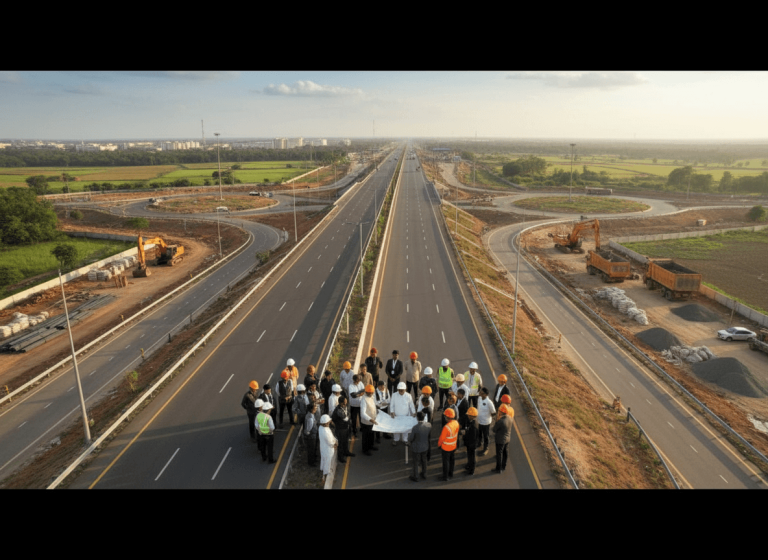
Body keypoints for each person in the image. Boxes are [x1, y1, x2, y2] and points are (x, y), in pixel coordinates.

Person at [390, 381, 415, 445]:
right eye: (400, 390)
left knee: (405, 429)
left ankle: (405, 439)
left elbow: (411, 405)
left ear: (405, 389)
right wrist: (392, 411)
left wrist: (414, 412)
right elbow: (392, 404)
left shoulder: (408, 396)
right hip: (397, 416)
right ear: (398, 389)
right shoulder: (394, 395)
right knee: (396, 428)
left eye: (402, 390)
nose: (401, 392)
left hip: (406, 415)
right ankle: (396, 439)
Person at [437, 408, 459, 481]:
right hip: (453, 446)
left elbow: (441, 439)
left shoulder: (446, 427)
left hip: (446, 448)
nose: (445, 418)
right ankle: (451, 473)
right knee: (452, 460)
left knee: (446, 462)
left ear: (448, 417)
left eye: (445, 416)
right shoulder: (456, 423)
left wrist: (439, 445)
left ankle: (445, 477)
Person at [409, 411, 431, 481]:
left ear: (417, 418)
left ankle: (416, 476)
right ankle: (424, 473)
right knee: (424, 460)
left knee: (416, 462)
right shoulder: (429, 425)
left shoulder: (415, 428)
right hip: (425, 446)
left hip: (416, 447)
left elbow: (411, 438)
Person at [331, 396, 354, 463]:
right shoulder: (338, 410)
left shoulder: (345, 407)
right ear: (340, 403)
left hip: (345, 427)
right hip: (340, 429)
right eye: (344, 403)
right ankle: (340, 457)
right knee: (341, 443)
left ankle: (346, 452)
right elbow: (345, 418)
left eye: (346, 403)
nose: (345, 404)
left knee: (345, 441)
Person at [493, 404, 514, 473]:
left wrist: (496, 421)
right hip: (507, 439)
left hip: (500, 440)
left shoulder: (501, 421)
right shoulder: (510, 418)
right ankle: (503, 466)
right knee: (505, 453)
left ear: (501, 411)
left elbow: (494, 429)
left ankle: (498, 469)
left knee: (499, 454)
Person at [360, 384, 379, 455]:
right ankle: (365, 450)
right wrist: (370, 419)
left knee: (371, 435)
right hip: (366, 422)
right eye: (370, 392)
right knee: (366, 436)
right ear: (366, 392)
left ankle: (371, 446)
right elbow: (362, 413)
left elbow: (374, 406)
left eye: (372, 392)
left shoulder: (372, 397)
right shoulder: (363, 400)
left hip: (372, 421)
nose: (371, 394)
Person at [476, 387, 496, 456]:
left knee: (486, 436)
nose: (480, 393)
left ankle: (486, 448)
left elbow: (493, 412)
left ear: (486, 394)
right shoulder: (479, 399)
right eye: (480, 392)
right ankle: (479, 443)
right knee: (479, 433)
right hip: (479, 421)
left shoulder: (489, 402)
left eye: (482, 393)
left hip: (486, 422)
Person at [463, 406, 479, 475]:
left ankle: (471, 470)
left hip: (472, 445)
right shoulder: (470, 422)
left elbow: (473, 437)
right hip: (469, 444)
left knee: (472, 457)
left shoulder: (474, 426)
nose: (468, 415)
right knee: (469, 456)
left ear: (472, 416)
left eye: (469, 415)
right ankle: (469, 465)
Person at [305, 401, 320, 467]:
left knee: (313, 448)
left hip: (313, 435)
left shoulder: (310, 415)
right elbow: (309, 428)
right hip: (311, 436)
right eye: (315, 408)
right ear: (311, 409)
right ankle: (311, 462)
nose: (316, 409)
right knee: (311, 449)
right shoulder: (310, 418)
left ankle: (313, 459)